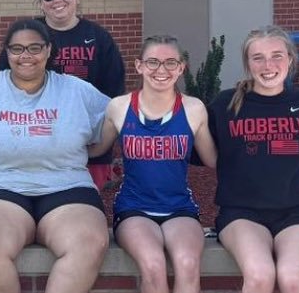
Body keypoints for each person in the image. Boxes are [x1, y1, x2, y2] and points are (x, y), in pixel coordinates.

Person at [0, 19, 110, 293]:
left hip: (66, 186)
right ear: (6, 52)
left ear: (48, 50)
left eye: (34, 47)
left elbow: (116, 119)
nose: (25, 56)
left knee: (89, 243)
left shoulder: (76, 91)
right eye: (17, 49)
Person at [90, 35, 216, 293]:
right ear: (139, 66)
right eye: (153, 62)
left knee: (188, 262)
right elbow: (96, 150)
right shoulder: (120, 107)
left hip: (179, 207)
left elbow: (214, 160)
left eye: (171, 63)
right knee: (153, 263)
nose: (162, 70)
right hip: (134, 208)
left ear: (181, 67)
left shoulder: (194, 109)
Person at [207, 26, 299, 293]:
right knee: (259, 276)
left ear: (291, 59)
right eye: (257, 57)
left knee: (292, 279)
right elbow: (200, 153)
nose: (268, 65)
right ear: (248, 63)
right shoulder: (225, 104)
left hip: (298, 212)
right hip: (241, 213)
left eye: (277, 55)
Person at [0, 0, 126, 191]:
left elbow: (113, 97)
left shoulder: (99, 38)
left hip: (87, 145)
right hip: (35, 145)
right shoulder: (28, 36)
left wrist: (101, 144)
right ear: (41, 1)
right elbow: (4, 88)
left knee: (81, 208)